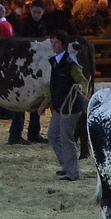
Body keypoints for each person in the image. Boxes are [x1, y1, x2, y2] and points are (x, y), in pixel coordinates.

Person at [47, 34, 90, 182]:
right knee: (53, 135)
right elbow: (53, 87)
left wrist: (80, 87)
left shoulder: (70, 63)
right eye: (52, 42)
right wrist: (43, 105)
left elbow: (83, 80)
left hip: (70, 106)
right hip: (60, 105)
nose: (53, 45)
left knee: (66, 138)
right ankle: (66, 165)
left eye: (56, 42)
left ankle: (73, 172)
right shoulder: (55, 62)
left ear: (63, 45)